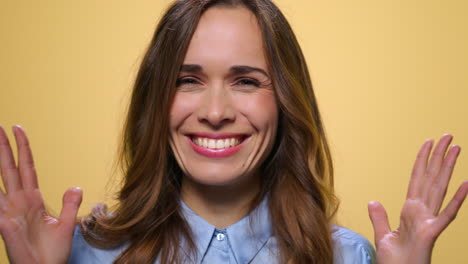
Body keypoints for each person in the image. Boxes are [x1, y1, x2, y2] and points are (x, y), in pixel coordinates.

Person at [0, 0, 467, 263]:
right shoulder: (78, 254)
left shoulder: (350, 257)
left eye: (246, 81)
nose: (216, 111)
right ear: (155, 99)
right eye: (188, 80)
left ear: (285, 99)